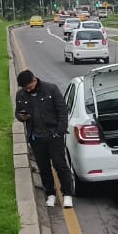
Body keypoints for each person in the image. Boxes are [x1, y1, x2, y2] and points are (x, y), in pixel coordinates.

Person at [15, 69, 74, 208]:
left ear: (34, 80)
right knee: (43, 167)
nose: (28, 90)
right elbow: (17, 113)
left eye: (30, 87)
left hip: (54, 135)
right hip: (36, 137)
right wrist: (21, 117)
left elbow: (62, 111)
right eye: (25, 88)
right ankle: (50, 194)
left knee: (59, 164)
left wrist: (59, 132)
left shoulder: (51, 89)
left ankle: (67, 194)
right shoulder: (20, 95)